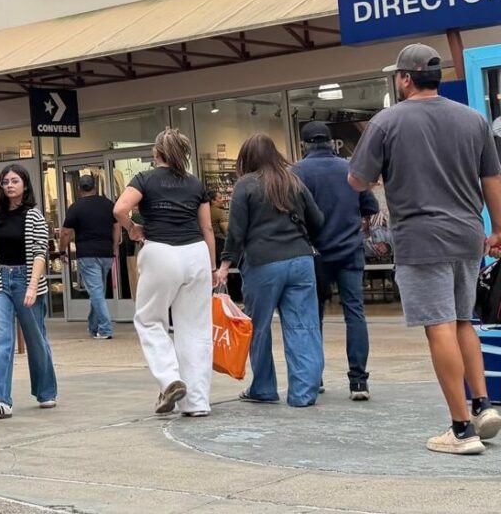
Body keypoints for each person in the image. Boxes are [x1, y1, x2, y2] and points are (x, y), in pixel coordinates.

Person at [349, 44, 501, 455]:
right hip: (469, 233)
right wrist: (498, 228)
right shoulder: (473, 120)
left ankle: (461, 430)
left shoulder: (386, 122)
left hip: (421, 237)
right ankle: (483, 404)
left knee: (438, 325)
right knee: (463, 320)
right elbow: (492, 180)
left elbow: (358, 181)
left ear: (405, 78)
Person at [214, 134, 326, 408]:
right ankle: (303, 394)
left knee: (258, 328)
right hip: (301, 261)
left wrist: (225, 265)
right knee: (303, 327)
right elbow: (318, 220)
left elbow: (236, 231)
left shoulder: (246, 185)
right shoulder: (294, 181)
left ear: (247, 158)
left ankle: (263, 387)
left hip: (263, 264)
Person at [114, 128, 216, 418]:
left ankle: (170, 378)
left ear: (155, 154)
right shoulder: (195, 183)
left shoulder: (145, 178)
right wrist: (211, 266)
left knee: (149, 320)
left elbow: (120, 208)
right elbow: (207, 227)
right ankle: (197, 402)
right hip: (195, 252)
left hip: (160, 250)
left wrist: (132, 228)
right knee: (195, 329)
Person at [293, 120, 380, 400]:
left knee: (312, 315)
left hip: (315, 254)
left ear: (305, 144)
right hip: (350, 249)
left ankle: (315, 377)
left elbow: (293, 213)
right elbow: (370, 206)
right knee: (354, 313)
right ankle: (358, 381)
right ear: (331, 142)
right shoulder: (348, 167)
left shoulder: (298, 172)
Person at [0, 164, 58, 418]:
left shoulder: (34, 216)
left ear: (25, 185)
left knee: (36, 340)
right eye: (5, 182)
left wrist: (33, 285)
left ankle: (46, 391)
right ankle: (1, 399)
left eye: (14, 181)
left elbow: (39, 252)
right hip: (0, 281)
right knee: (0, 340)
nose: (9, 185)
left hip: (27, 280)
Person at [60, 176, 121, 340]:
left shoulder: (76, 207)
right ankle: (93, 327)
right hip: (106, 253)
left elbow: (65, 232)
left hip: (87, 254)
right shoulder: (108, 204)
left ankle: (106, 328)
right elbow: (117, 226)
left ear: (79, 189)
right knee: (98, 291)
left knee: (95, 292)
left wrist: (62, 252)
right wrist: (115, 247)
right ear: (95, 187)